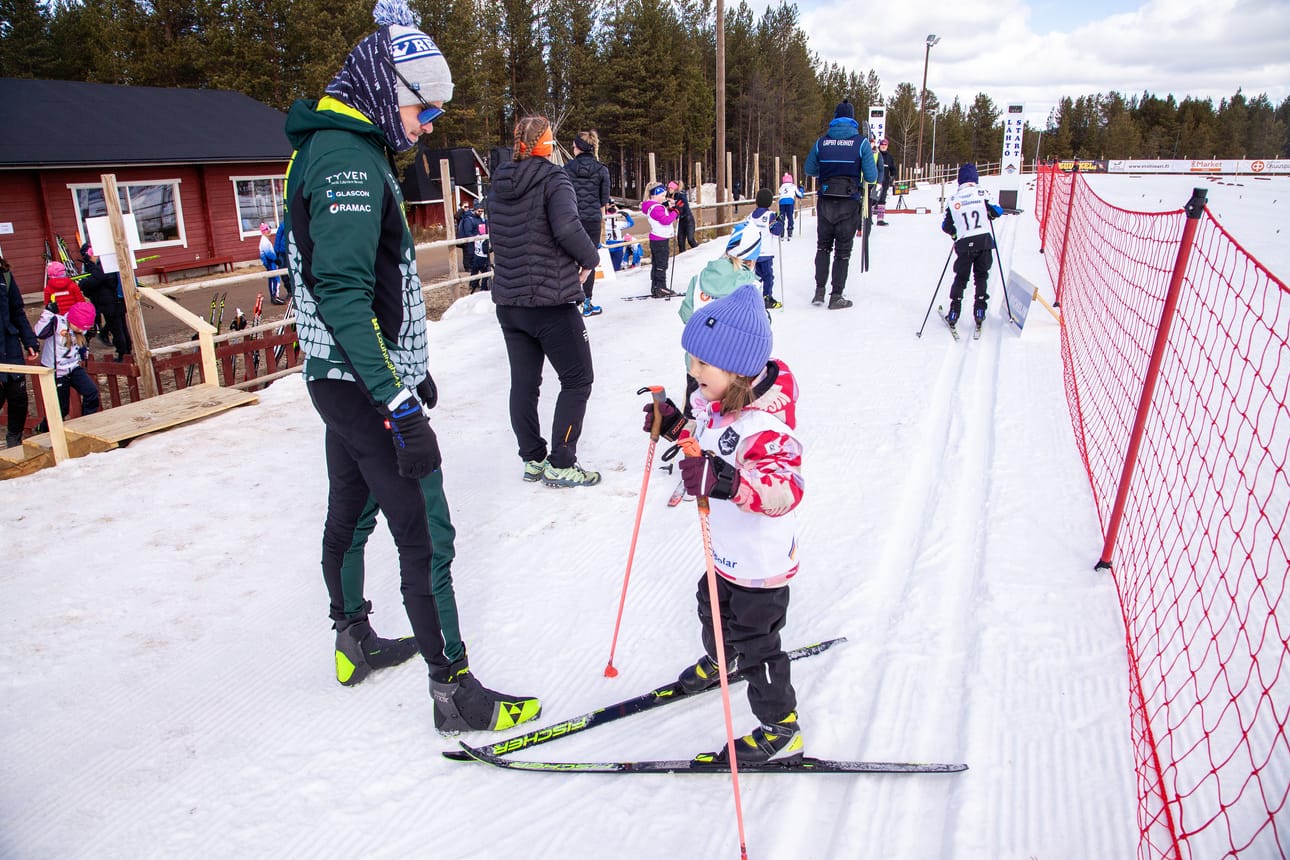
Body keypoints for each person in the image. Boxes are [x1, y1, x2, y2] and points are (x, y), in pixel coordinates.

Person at [281, 0, 541, 733]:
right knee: (427, 531)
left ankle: (351, 637)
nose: (427, 124)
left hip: (341, 377)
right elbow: (340, 291)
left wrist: (406, 365)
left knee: (352, 508)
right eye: (421, 107)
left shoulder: (335, 147)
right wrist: (397, 402)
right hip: (362, 385)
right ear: (381, 85)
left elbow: (361, 283)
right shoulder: (347, 161)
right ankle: (454, 691)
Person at [643, 283, 805, 764]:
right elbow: (702, 441)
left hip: (760, 562)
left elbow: (785, 490)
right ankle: (720, 659)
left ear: (736, 369)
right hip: (726, 551)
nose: (693, 375)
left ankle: (781, 727)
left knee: (758, 643)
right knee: (709, 603)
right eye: (691, 363)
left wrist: (728, 482)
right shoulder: (716, 401)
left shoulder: (768, 428)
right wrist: (674, 426)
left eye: (701, 366)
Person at [489, 115, 602, 488]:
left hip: (510, 301)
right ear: (542, 144)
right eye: (551, 139)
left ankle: (532, 457)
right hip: (550, 301)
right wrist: (591, 258)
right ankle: (561, 460)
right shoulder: (554, 179)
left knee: (524, 383)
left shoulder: (499, 182)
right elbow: (568, 227)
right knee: (578, 379)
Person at [803, 99, 876, 310]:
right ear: (852, 119)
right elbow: (870, 176)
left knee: (823, 247)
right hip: (849, 203)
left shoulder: (821, 142)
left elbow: (809, 169)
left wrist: (826, 172)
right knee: (842, 251)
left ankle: (819, 291)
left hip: (825, 201)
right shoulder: (860, 143)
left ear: (834, 118)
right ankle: (836, 296)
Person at [941, 163, 1003, 327]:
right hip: (984, 242)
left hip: (964, 243)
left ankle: (954, 312)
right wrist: (990, 213)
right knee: (981, 276)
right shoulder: (982, 193)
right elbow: (998, 211)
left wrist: (955, 234)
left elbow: (946, 226)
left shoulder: (953, 199)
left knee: (961, 278)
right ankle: (980, 310)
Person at [564, 130, 610, 317]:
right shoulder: (601, 170)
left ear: (578, 147)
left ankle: (571, 298)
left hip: (571, 218)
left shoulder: (566, 169)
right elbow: (603, 199)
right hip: (592, 219)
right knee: (589, 259)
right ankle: (587, 302)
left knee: (569, 257)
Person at [34, 300, 100, 423]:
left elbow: (86, 333)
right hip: (56, 372)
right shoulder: (57, 323)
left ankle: (87, 424)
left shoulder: (82, 329)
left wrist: (92, 330)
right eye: (79, 327)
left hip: (73, 368)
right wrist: (48, 313)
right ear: (72, 319)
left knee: (91, 393)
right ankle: (43, 429)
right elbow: (39, 332)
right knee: (61, 409)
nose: (81, 330)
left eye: (84, 328)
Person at [1, 257, 39, 447]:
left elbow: (17, 311)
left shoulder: (4, 275)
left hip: (9, 345)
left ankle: (14, 439)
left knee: (18, 396)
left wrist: (29, 340)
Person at [78, 244, 132, 361]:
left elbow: (95, 280)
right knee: (121, 328)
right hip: (115, 301)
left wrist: (82, 284)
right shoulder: (108, 263)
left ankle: (123, 354)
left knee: (118, 330)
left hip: (110, 303)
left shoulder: (101, 267)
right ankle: (127, 352)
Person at [747, 188, 784, 309]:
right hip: (765, 253)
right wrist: (780, 222)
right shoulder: (770, 216)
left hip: (753, 252)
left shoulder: (751, 216)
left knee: (756, 276)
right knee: (768, 276)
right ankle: (767, 298)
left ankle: (752, 297)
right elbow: (777, 231)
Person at [641, 183, 678, 298]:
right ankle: (661, 287)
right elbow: (665, 220)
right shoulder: (656, 208)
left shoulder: (653, 206)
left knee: (657, 263)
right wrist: (675, 212)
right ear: (653, 196)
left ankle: (656, 286)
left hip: (658, 238)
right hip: (660, 239)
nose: (664, 198)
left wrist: (666, 206)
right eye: (661, 195)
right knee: (661, 263)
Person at [257, 223, 285, 305]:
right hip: (270, 262)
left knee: (273, 279)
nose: (269, 231)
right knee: (275, 279)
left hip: (269, 262)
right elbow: (268, 253)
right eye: (267, 229)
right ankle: (275, 296)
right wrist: (275, 259)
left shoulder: (264, 240)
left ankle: (275, 296)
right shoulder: (264, 241)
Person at [603, 203, 635, 271]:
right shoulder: (618, 224)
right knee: (616, 268)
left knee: (607, 268)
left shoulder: (602, 224)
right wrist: (627, 216)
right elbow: (631, 223)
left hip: (606, 245)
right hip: (618, 246)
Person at [671, 181, 697, 252]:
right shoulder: (673, 195)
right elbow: (674, 208)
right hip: (681, 221)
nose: (669, 189)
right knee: (680, 242)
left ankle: (700, 253)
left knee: (690, 240)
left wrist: (674, 203)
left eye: (671, 187)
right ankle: (682, 260)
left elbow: (684, 204)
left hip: (688, 220)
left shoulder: (681, 194)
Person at [874, 139, 896, 225]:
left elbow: (893, 168)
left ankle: (880, 219)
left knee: (882, 200)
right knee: (873, 200)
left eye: (885, 145)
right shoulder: (875, 154)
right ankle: (868, 219)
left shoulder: (889, 157)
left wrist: (893, 176)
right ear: (879, 145)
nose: (883, 146)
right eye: (882, 144)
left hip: (885, 182)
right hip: (876, 181)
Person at [776, 173, 802, 239]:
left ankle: (781, 232)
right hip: (790, 201)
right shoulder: (793, 186)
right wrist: (801, 190)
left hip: (782, 202)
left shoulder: (781, 187)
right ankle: (790, 231)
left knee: (782, 217)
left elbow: (779, 192)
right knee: (790, 217)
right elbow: (799, 195)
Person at [468, 222, 491, 292]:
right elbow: (485, 250)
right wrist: (491, 250)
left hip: (476, 256)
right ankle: (484, 287)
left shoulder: (477, 236)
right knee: (485, 273)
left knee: (474, 271)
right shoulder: (485, 239)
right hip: (483, 257)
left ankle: (472, 284)